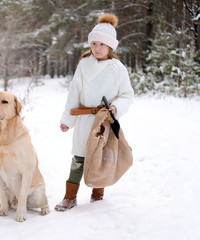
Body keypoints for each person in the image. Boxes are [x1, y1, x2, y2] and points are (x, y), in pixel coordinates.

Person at [55, 13, 134, 211]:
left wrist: (116, 107)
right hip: (83, 121)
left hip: (104, 123)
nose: (97, 48)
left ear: (110, 47)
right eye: (94, 43)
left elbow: (127, 94)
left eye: (102, 45)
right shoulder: (84, 64)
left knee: (100, 157)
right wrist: (67, 120)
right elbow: (74, 93)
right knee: (79, 158)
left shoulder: (118, 69)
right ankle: (69, 197)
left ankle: (97, 195)